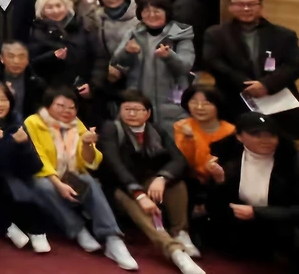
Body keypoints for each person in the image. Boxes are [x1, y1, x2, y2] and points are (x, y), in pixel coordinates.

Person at [24, 87, 136, 269]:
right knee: (44, 186)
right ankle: (78, 230)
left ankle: (112, 239)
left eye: (71, 107)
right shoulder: (33, 122)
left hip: (70, 173)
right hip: (42, 174)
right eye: (60, 106)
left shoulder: (76, 124)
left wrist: (87, 145)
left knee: (88, 180)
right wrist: (59, 184)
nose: (66, 111)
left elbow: (90, 162)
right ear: (48, 106)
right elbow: (38, 157)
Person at [97, 90, 204, 273]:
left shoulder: (156, 130)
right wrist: (139, 194)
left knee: (176, 184)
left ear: (147, 113)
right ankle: (175, 252)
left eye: (137, 110)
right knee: (137, 207)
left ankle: (180, 232)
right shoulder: (111, 129)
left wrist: (162, 177)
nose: (131, 114)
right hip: (119, 187)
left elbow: (179, 160)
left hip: (146, 180)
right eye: (127, 109)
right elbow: (115, 165)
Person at [205, 112, 299, 265]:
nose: (266, 141)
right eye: (257, 135)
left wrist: (258, 212)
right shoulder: (228, 157)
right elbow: (215, 206)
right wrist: (219, 181)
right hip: (243, 222)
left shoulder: (293, 162)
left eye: (271, 135)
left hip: (284, 222)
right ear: (240, 137)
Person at [202, 0, 299, 133]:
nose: (246, 8)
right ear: (230, 7)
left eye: (251, 4)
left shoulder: (284, 34)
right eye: (240, 4)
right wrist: (247, 85)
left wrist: (266, 85)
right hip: (234, 99)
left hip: (277, 100)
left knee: (281, 140)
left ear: (260, 6)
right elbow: (213, 62)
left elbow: (294, 66)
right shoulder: (216, 34)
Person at [0, 79, 48, 252]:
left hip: (14, 175)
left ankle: (36, 231)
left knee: (24, 187)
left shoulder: (16, 122)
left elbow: (35, 166)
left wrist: (24, 145)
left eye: (4, 99)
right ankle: (8, 228)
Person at [110, 0, 196, 129]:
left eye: (157, 11)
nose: (151, 15)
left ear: (166, 12)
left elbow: (185, 66)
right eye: (146, 11)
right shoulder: (134, 33)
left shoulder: (180, 34)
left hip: (171, 103)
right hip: (139, 101)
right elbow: (116, 61)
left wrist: (169, 56)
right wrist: (127, 52)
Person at [29, 0, 104, 108]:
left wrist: (93, 85)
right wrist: (53, 57)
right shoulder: (36, 32)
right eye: (49, 7)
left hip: (83, 91)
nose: (55, 11)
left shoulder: (83, 26)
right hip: (51, 94)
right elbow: (32, 63)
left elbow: (100, 58)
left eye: (58, 6)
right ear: (42, 11)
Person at [172, 84, 236, 213]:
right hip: (191, 182)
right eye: (194, 102)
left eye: (206, 103)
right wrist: (189, 139)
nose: (199, 107)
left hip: (220, 183)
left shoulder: (231, 130)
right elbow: (184, 163)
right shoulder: (182, 126)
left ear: (217, 105)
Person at [0, 41, 47, 118]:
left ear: (27, 60)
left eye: (21, 57)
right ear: (2, 58)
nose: (16, 61)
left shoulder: (36, 82)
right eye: (11, 56)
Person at [95, 0, 138, 73]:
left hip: (135, 71)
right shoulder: (97, 18)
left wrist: (120, 69)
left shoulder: (137, 17)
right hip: (108, 72)